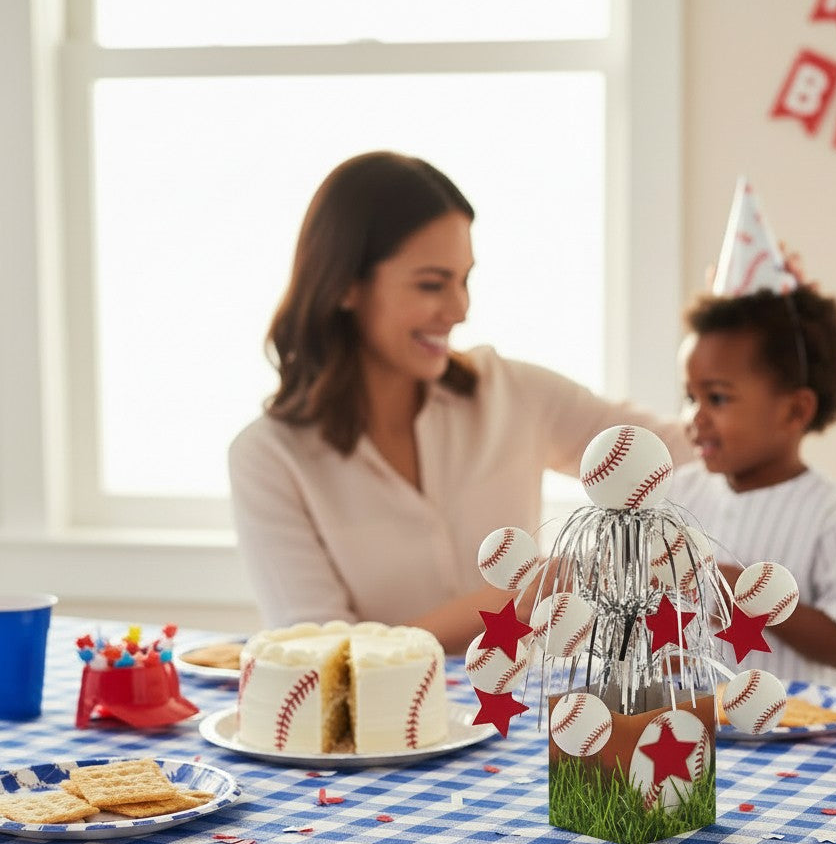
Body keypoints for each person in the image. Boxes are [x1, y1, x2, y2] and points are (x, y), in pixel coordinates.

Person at [229, 151, 690, 654]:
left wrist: (755, 337)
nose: (459, 309)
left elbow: (685, 450)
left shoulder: (515, 394)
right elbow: (322, 656)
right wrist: (512, 601)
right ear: (344, 286)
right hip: (389, 730)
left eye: (463, 279)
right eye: (432, 284)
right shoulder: (269, 458)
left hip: (528, 718)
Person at [668, 281, 836, 688]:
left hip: (792, 730)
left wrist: (749, 593)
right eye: (690, 397)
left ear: (795, 410)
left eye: (716, 398)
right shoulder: (677, 494)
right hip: (689, 728)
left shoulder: (830, 515)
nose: (695, 417)